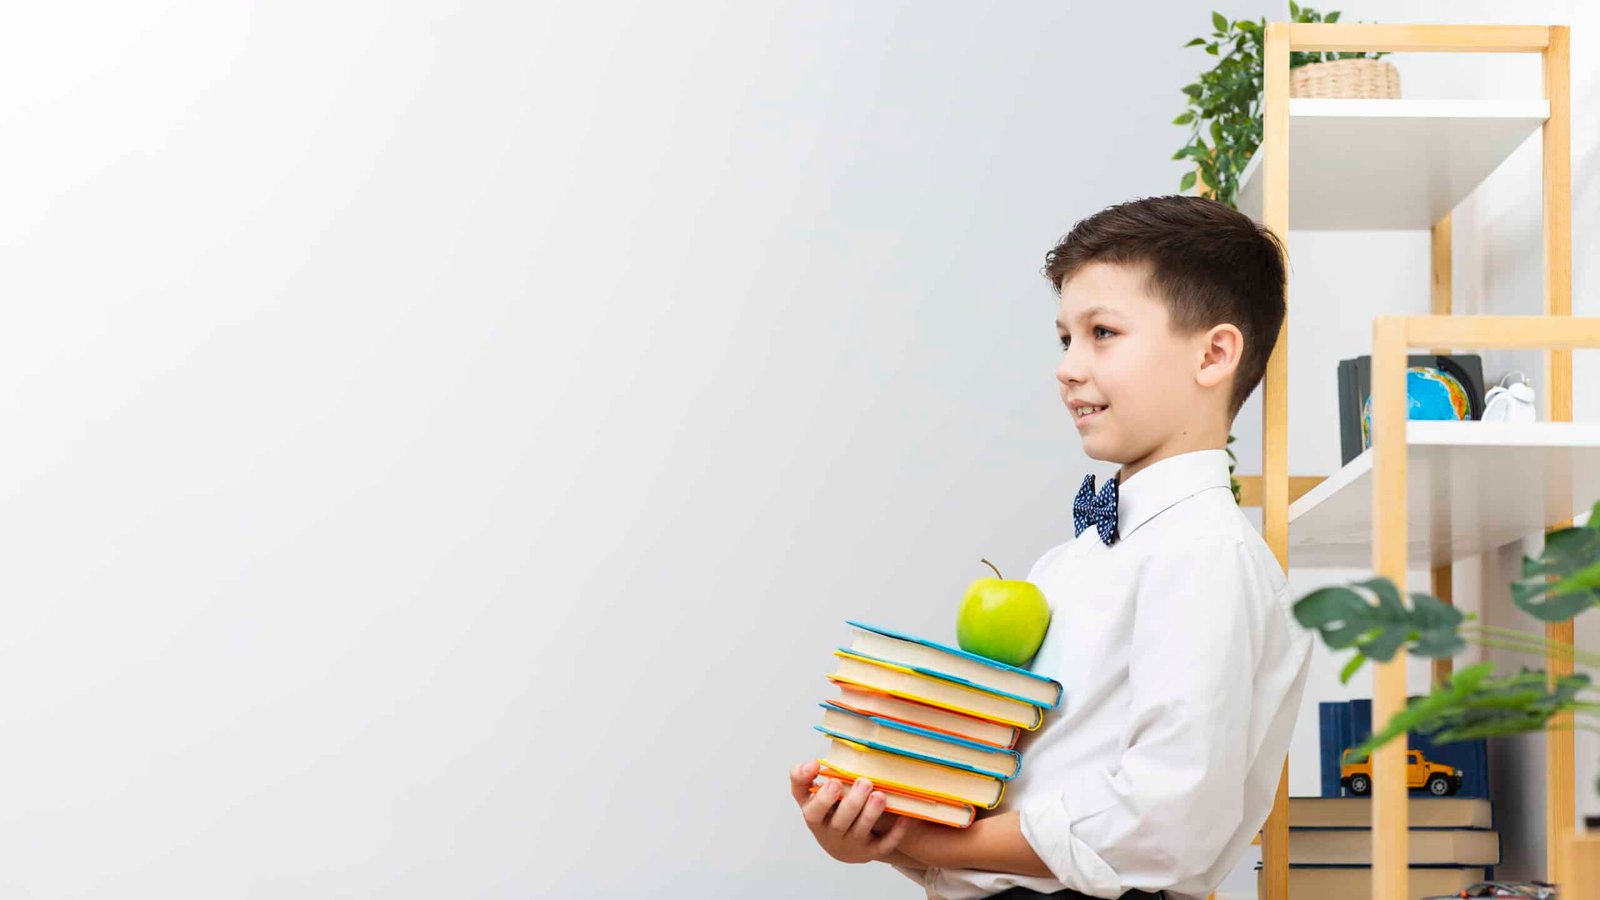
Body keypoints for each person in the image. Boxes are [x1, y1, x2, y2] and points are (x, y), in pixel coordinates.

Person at [787, 195, 1315, 900]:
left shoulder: (1206, 557)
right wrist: (882, 832)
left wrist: (924, 839)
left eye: (1102, 333)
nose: (1067, 367)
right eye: (1064, 338)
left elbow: (1164, 823)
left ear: (1214, 354)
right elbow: (1016, 802)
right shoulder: (1068, 564)